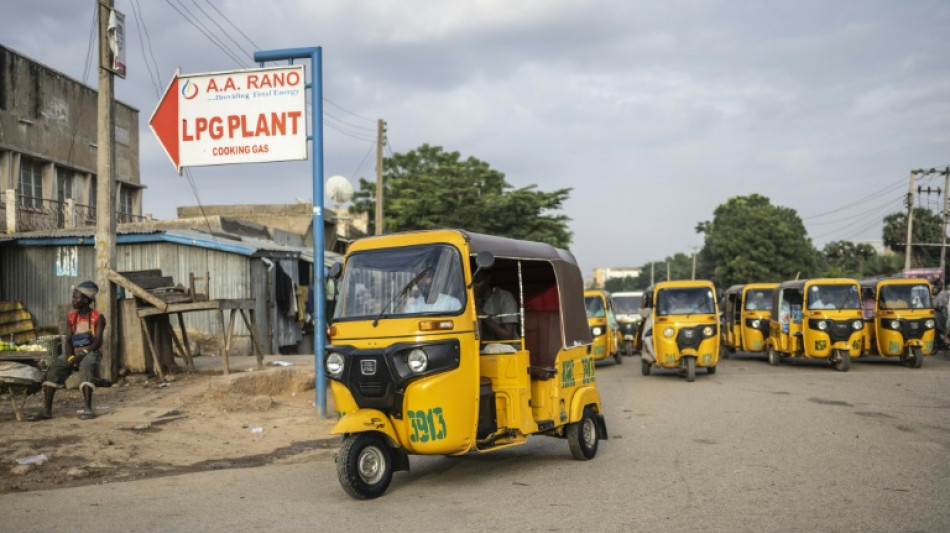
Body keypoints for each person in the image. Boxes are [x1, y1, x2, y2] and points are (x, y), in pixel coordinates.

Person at [35, 281, 107, 420]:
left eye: (76, 298)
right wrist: (70, 358)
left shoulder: (98, 317)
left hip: (90, 352)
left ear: (85, 300)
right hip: (73, 353)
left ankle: (88, 408)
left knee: (86, 366)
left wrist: (82, 354)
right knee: (55, 368)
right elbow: (68, 340)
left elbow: (97, 342)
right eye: (73, 297)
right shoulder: (71, 317)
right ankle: (47, 410)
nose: (73, 300)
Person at [472, 270, 518, 340]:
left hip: (506, 346)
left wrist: (482, 315)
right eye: (470, 283)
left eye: (477, 282)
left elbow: (507, 336)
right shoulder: (467, 302)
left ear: (488, 279)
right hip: (481, 347)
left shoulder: (505, 297)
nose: (473, 286)